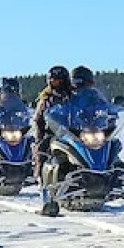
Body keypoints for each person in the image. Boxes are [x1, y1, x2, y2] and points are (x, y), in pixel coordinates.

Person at [33, 65, 75, 216]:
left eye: (59, 80)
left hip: (74, 131)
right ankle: (45, 192)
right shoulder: (46, 99)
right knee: (42, 150)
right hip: (54, 132)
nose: (56, 83)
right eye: (53, 80)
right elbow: (38, 119)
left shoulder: (73, 96)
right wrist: (40, 135)